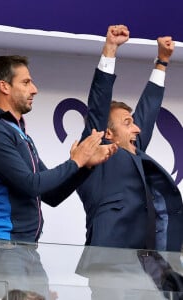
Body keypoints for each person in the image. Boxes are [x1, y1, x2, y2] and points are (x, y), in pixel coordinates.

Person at [0, 55, 117, 298]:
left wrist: (84, 166)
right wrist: (75, 161)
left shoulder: (19, 133)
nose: (34, 89)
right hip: (0, 247)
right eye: (26, 82)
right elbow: (31, 185)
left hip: (26, 249)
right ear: (4, 86)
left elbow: (51, 194)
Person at [76, 24, 183, 251]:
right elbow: (98, 104)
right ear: (108, 133)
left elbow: (149, 108)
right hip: (111, 262)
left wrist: (162, 61)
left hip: (150, 266)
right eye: (127, 123)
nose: (137, 129)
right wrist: (110, 49)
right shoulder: (95, 151)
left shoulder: (134, 150)